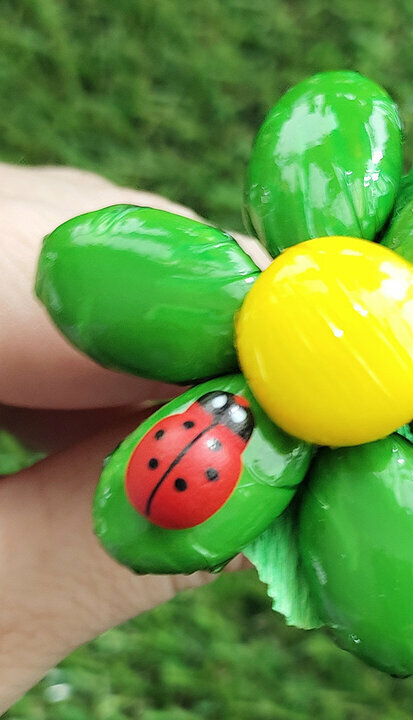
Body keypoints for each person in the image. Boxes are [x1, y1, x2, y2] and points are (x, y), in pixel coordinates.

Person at [0, 163, 256, 711]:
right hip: (163, 497)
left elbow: (200, 437)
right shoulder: (232, 439)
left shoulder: (211, 426)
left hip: (168, 484)